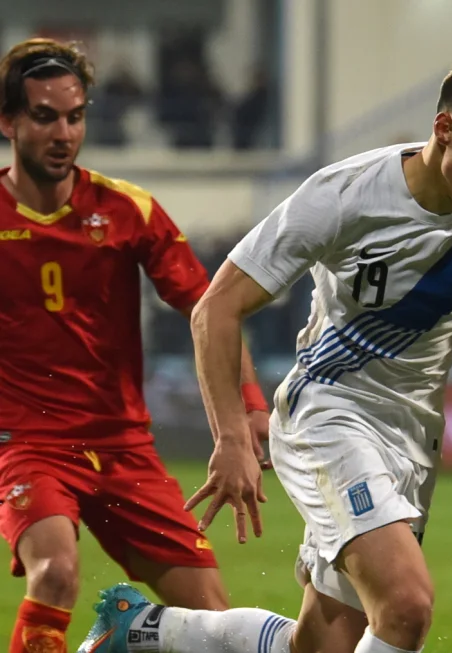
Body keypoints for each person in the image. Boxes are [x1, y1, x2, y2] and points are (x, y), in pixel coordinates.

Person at [77, 50, 452, 653]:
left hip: (413, 436)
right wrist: (232, 439)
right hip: (328, 412)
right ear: (445, 128)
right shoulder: (345, 194)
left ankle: (139, 631)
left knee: (321, 646)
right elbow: (215, 307)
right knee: (405, 608)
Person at [0, 38, 270, 653]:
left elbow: (211, 308)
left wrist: (252, 402)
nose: (64, 132)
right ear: (9, 121)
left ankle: (123, 638)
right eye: (45, 116)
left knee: (211, 620)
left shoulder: (127, 211)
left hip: (123, 446)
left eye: (75, 115)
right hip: (28, 443)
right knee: (56, 571)